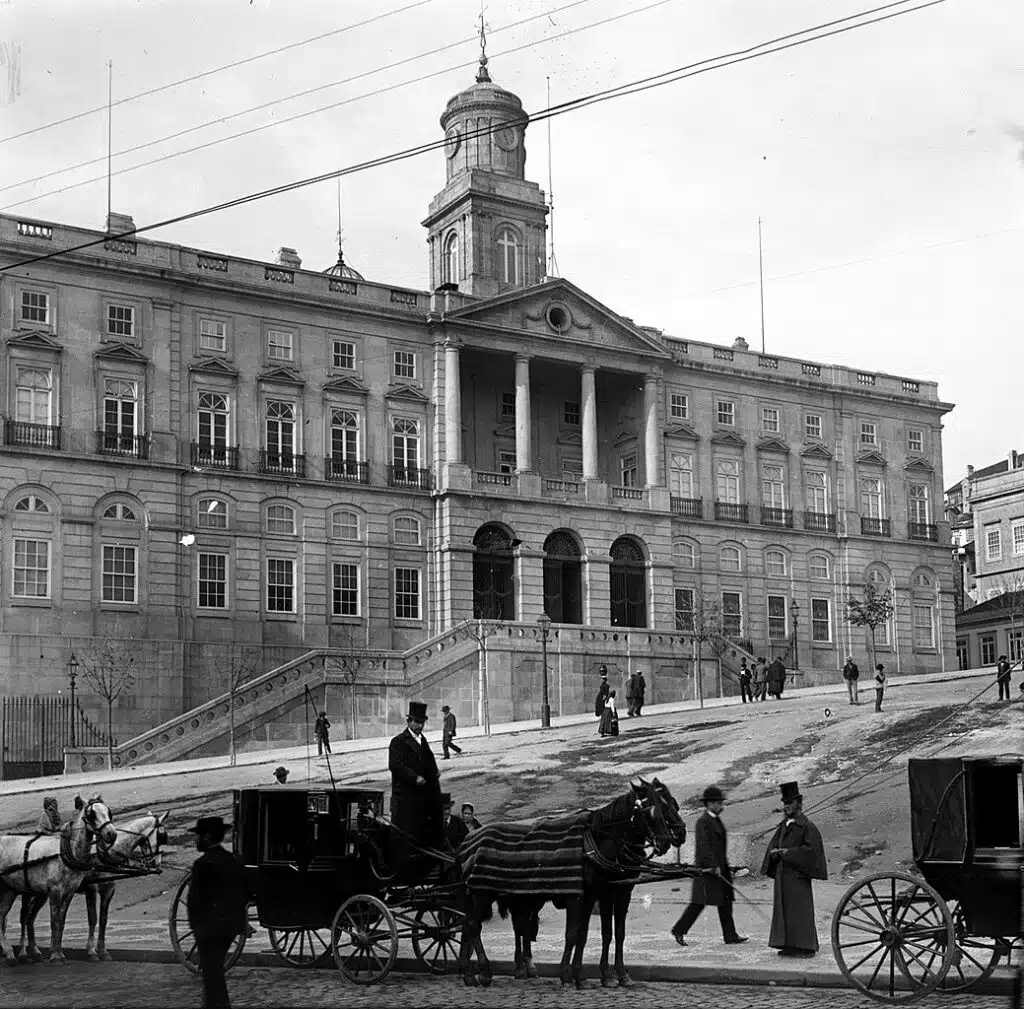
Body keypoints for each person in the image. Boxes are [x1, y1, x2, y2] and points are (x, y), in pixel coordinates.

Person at [670, 786, 748, 947]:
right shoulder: (702, 822)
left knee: (726, 902)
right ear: (710, 804)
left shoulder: (715, 820)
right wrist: (713, 866)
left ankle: (730, 935)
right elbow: (703, 847)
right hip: (707, 872)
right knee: (698, 903)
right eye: (719, 803)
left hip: (721, 870)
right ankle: (679, 930)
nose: (722, 806)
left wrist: (723, 867)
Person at [187, 815, 248, 1009]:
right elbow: (246, 891)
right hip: (230, 928)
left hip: (209, 930)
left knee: (212, 976)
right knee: (215, 972)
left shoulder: (202, 865)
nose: (195, 840)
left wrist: (199, 930)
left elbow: (195, 902)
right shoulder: (233, 860)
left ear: (207, 837)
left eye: (198, 836)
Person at [760, 782, 828, 958]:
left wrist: (788, 853)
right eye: (785, 803)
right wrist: (773, 854)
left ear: (799, 803)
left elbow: (812, 852)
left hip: (798, 878)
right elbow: (773, 845)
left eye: (790, 803)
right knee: (786, 912)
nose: (787, 806)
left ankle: (806, 947)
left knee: (800, 912)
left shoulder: (807, 826)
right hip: (784, 877)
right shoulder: (785, 825)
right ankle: (789, 945)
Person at [388, 701, 443, 867]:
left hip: (423, 801)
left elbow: (429, 763)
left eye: (422, 723)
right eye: (417, 722)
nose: (420, 726)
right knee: (406, 839)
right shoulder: (398, 742)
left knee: (425, 837)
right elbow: (395, 766)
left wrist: (434, 772)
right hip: (406, 800)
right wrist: (414, 777)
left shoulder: (423, 741)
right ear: (409, 722)